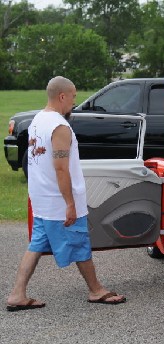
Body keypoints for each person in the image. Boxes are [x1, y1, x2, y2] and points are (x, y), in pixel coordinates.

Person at [6, 76, 126, 311]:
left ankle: (17, 294)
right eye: (72, 97)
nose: (74, 101)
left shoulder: (37, 120)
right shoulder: (60, 127)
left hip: (42, 198)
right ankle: (96, 290)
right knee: (80, 243)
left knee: (36, 245)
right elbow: (61, 169)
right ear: (62, 96)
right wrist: (70, 204)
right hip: (58, 202)